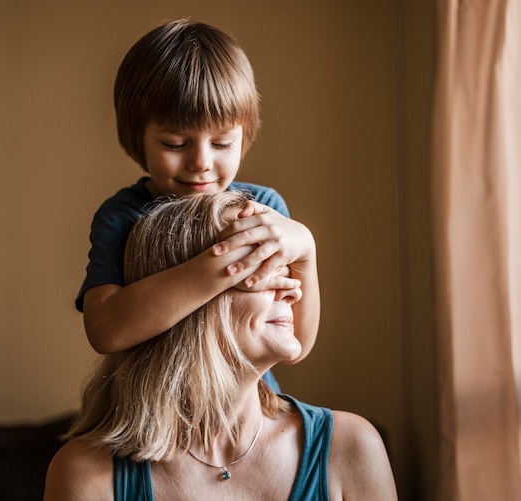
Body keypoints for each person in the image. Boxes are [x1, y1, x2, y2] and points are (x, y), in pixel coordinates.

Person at [46, 192, 398, 501]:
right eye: (260, 271)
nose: (294, 290)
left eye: (285, 270)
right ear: (189, 303)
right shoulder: (86, 477)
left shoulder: (350, 448)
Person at [75, 18, 321, 391]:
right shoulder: (123, 216)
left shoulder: (264, 209)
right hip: (159, 414)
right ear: (136, 138)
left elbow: (296, 345)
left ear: (245, 137)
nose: (201, 162)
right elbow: (105, 331)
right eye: (175, 144)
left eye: (222, 143)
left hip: (250, 413)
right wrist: (219, 269)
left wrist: (306, 251)